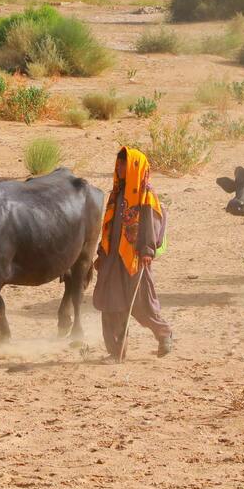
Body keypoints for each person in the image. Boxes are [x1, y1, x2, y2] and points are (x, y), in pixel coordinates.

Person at [93, 146, 174, 359]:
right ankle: (116, 352)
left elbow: (151, 224)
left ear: (134, 168)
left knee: (141, 303)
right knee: (111, 305)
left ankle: (163, 333)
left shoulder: (146, 195)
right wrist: (102, 254)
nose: (119, 168)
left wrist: (147, 250)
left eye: (124, 164)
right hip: (112, 259)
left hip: (135, 258)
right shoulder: (116, 194)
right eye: (118, 164)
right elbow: (108, 226)